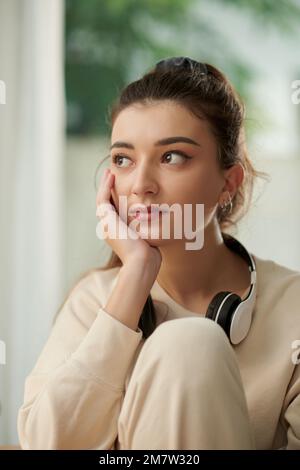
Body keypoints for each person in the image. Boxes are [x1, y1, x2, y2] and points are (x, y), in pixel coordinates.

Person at [17, 57, 300, 450]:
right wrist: (135, 272)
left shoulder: (293, 307)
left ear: (228, 183)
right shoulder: (96, 300)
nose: (141, 184)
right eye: (123, 160)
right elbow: (49, 444)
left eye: (172, 157)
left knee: (190, 343)